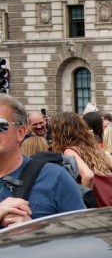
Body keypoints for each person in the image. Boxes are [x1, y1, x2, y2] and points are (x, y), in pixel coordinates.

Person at [0, 96, 85, 227]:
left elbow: (83, 234)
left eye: (1, 125)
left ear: (21, 132)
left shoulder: (55, 177)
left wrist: (34, 229)